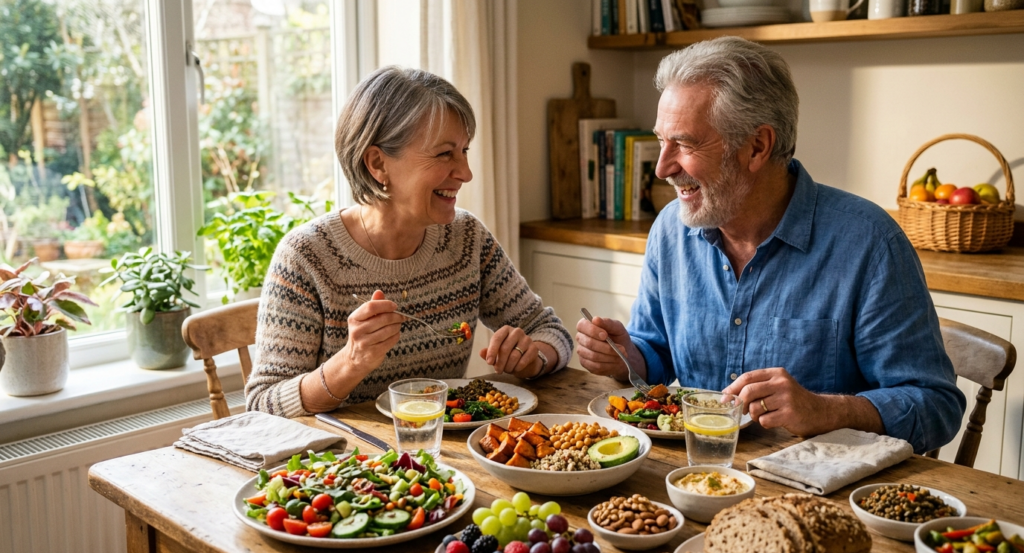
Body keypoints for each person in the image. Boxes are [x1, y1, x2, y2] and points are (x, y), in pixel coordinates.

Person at [575, 37, 964, 454]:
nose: (662, 167)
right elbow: (659, 352)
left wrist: (826, 410)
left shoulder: (870, 243)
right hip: (695, 477)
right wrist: (627, 357)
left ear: (758, 146)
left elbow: (936, 407)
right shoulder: (671, 229)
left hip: (819, 494)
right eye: (662, 141)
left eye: (685, 144)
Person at [247, 66, 572, 418]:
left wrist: (533, 358)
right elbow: (262, 405)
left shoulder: (466, 240)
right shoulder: (307, 257)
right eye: (445, 154)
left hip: (442, 459)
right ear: (377, 163)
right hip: (349, 466)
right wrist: (351, 362)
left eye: (464, 151)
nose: (465, 173)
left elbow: (550, 331)